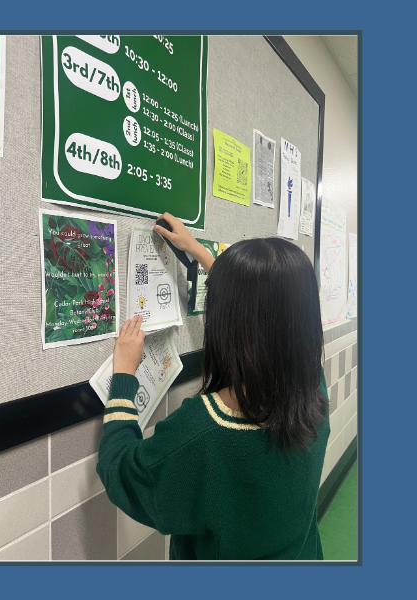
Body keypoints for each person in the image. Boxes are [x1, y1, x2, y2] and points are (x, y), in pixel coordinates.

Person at [97, 213, 329, 560]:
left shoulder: (205, 431)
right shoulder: (312, 392)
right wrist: (196, 250)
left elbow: (122, 472)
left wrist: (125, 376)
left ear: (228, 324)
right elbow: (267, 307)